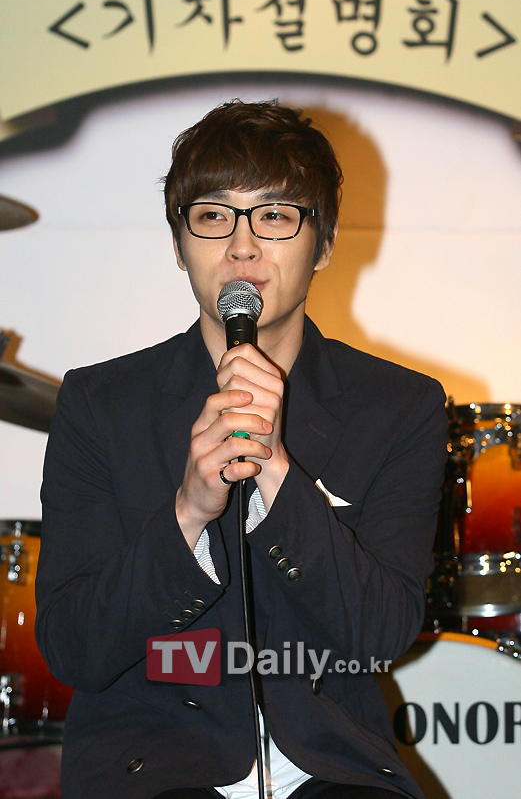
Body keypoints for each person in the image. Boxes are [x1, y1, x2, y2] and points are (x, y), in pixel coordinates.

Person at [35, 100, 448, 799]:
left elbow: (379, 634)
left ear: (323, 242)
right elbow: (74, 646)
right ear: (179, 245)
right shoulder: (100, 404)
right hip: (154, 765)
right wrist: (188, 513)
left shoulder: (397, 406)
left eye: (275, 215)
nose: (242, 246)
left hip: (329, 764)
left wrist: (279, 474)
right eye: (213, 216)